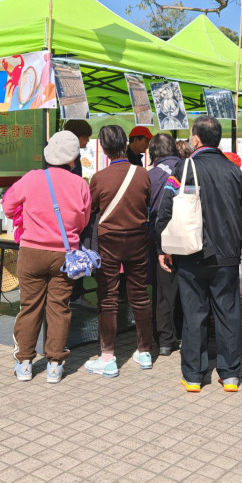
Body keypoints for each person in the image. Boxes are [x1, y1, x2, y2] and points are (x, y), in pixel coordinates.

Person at [157, 116, 242, 393]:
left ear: (196, 139)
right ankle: (230, 375)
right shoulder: (235, 172)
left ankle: (194, 376)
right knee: (228, 312)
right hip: (228, 255)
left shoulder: (183, 169)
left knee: (194, 313)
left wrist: (164, 248)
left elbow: (166, 209)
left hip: (191, 253)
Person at [3, 130, 91, 384]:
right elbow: (83, 221)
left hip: (32, 251)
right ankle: (54, 364)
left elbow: (8, 205)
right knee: (59, 307)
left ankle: (25, 363)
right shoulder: (81, 184)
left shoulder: (32, 178)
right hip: (65, 254)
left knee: (30, 306)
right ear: (73, 159)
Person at [86, 125, 153, 377]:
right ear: (126, 144)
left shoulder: (99, 178)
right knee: (140, 295)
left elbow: (92, 208)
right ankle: (145, 352)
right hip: (138, 239)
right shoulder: (142, 174)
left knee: (108, 297)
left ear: (103, 149)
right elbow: (146, 203)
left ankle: (107, 357)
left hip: (108, 241)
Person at [148, 133, 182, 355]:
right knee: (187, 288)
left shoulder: (149, 175)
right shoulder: (189, 168)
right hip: (189, 236)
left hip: (159, 238)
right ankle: (184, 332)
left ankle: (165, 340)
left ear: (154, 152)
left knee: (163, 291)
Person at [63, 119, 96, 309]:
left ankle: (75, 294)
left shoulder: (75, 158)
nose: (88, 142)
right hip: (70, 216)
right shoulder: (66, 160)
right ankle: (74, 294)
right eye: (86, 138)